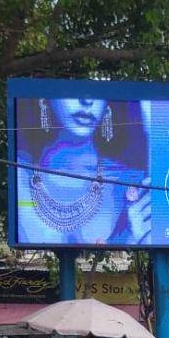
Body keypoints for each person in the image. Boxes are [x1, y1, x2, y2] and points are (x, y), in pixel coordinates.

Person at [16, 98, 152, 246]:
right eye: (70, 91)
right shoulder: (20, 175)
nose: (87, 100)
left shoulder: (131, 183)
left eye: (97, 95)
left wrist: (135, 239)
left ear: (107, 106)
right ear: (44, 100)